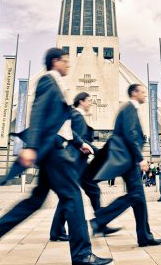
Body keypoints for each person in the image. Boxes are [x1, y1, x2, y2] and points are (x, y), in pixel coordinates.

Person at [0, 48, 111, 265]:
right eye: (66, 61)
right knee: (73, 197)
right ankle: (82, 255)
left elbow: (62, 124)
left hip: (54, 150)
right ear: (55, 61)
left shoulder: (57, 84)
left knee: (35, 201)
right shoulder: (47, 81)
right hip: (53, 153)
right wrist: (30, 146)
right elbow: (38, 112)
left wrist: (79, 144)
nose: (68, 65)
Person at [89, 84, 161, 247]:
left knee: (140, 199)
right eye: (142, 92)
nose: (145, 95)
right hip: (128, 159)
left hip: (126, 158)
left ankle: (144, 236)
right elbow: (129, 135)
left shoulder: (129, 109)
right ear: (134, 93)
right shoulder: (129, 108)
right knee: (137, 196)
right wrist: (140, 158)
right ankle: (100, 218)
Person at [49, 92, 115, 241]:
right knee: (70, 195)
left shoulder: (76, 115)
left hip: (79, 162)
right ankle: (57, 231)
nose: (91, 103)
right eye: (89, 101)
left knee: (92, 190)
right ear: (81, 101)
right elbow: (79, 139)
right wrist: (99, 152)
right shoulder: (76, 116)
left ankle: (100, 223)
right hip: (75, 162)